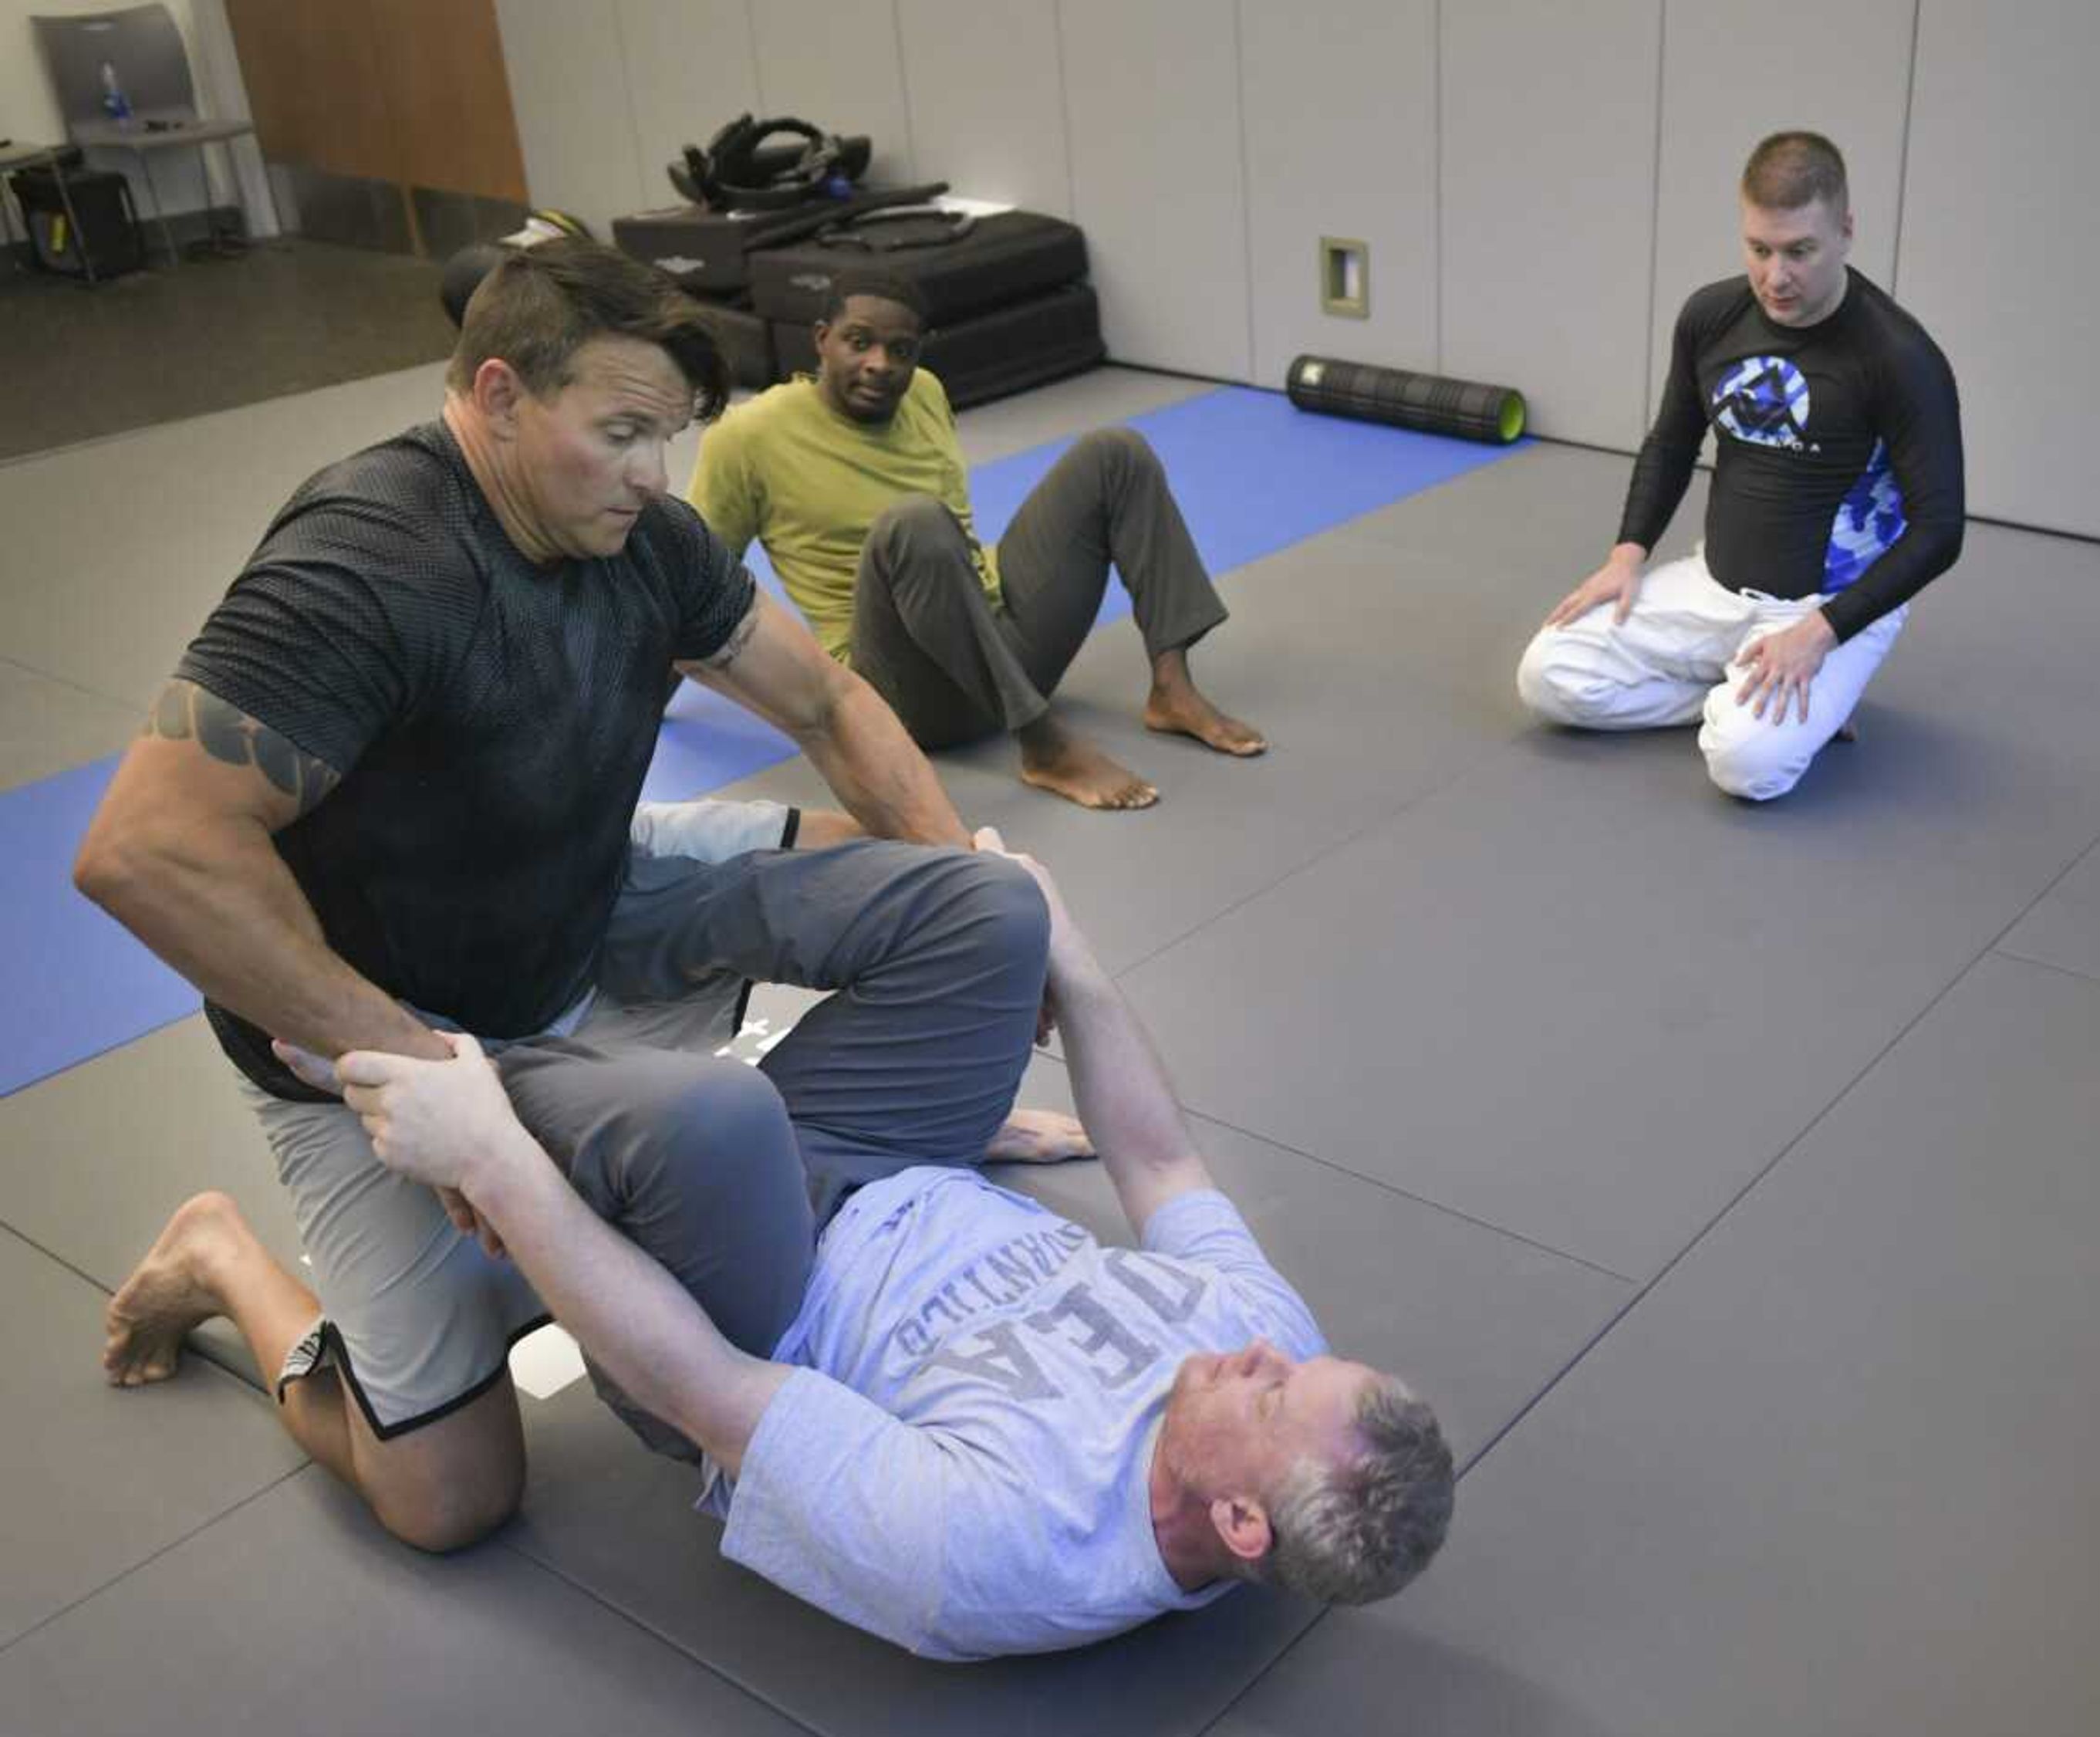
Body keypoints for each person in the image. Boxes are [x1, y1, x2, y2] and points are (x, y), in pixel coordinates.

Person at [72, 239, 1045, 1556]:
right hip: (381, 1018)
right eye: (624, 432)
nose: (657, 473)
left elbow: (828, 699)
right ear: (500, 396)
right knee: (451, 1500)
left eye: (674, 434)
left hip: (589, 879)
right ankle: (219, 1258)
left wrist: (966, 932)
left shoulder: (644, 532)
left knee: (923, 889)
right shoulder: (371, 563)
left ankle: (773, 1145)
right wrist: (448, 1102)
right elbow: (146, 851)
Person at [113, 811, 1457, 1659]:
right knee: (995, 914)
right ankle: (603, 903)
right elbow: (1159, 1160)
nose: (1254, 1350)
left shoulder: (1005, 1552)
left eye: (1269, 1392)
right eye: (1291, 1362)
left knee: (714, 1120)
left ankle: (383, 1029)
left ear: (1233, 1517)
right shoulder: (1282, 1366)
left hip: (765, 1302)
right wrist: (1077, 956)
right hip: (889, 1159)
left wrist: (494, 1161)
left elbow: (710, 1394)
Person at [689, 272, 1261, 810]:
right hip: (897, 697)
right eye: (858, 342)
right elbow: (688, 581)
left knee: (1116, 453)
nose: (880, 365)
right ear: (822, 340)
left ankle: (1172, 688)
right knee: (913, 524)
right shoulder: (747, 437)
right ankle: (1043, 745)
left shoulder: (927, 394)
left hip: (1006, 647)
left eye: (902, 351)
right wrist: (634, 708)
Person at [1517, 130, 1963, 800]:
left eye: (1799, 252)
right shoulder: (1714, 316)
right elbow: (1672, 439)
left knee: (1746, 768)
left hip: (1824, 606)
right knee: (1548, 676)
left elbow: (1940, 529)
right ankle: (1746, 694)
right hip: (1713, 583)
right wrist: (1627, 554)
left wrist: (1822, 632)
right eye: (1759, 249)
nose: (1775, 277)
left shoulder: (1899, 358)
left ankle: (1790, 703)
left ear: (1845, 231)